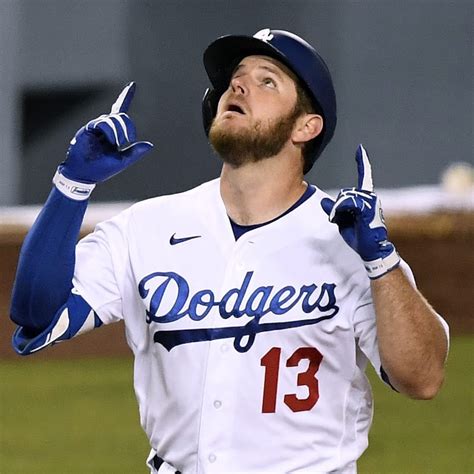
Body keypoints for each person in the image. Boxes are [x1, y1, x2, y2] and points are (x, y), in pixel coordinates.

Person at [10, 28, 449, 473]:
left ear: (306, 126)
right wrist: (71, 185)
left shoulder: (348, 237)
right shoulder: (146, 228)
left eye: (266, 81)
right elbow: (36, 314)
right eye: (236, 77)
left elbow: (424, 378)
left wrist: (381, 264)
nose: (238, 86)